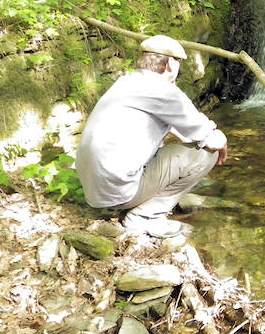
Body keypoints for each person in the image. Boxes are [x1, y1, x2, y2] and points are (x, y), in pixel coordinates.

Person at [76, 34, 228, 238]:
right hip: (117, 192)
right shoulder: (164, 91)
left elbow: (181, 128)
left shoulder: (126, 81)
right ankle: (146, 217)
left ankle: (137, 206)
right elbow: (211, 139)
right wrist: (222, 140)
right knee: (206, 154)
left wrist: (191, 133)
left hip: (94, 190)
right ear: (170, 65)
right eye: (179, 63)